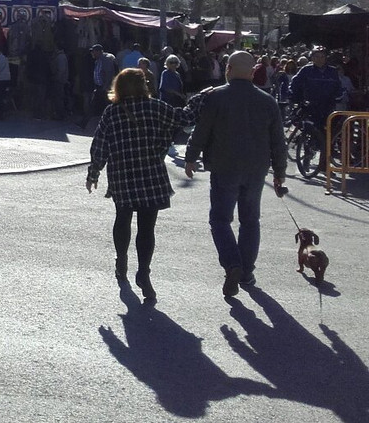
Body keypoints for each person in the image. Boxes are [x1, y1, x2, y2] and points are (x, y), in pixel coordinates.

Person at [87, 68, 197, 300]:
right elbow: (185, 118)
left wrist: (94, 172)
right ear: (142, 86)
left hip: (122, 176)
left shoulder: (112, 112)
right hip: (150, 174)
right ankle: (144, 273)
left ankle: (121, 260)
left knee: (123, 218)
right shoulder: (156, 107)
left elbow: (100, 144)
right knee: (147, 228)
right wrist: (200, 98)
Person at [184, 50, 286, 297]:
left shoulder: (215, 98)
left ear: (228, 70)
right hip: (256, 169)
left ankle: (233, 264)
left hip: (224, 166)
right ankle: (247, 272)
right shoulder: (267, 101)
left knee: (220, 219)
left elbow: (202, 131)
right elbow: (278, 141)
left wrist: (190, 157)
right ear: (253, 72)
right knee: (250, 221)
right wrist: (280, 172)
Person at [290, 47, 344, 137]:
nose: (320, 59)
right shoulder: (306, 70)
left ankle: (328, 146)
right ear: (312, 58)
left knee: (331, 130)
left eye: (322, 57)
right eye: (317, 57)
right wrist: (294, 97)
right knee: (304, 125)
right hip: (310, 106)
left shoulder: (332, 71)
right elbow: (295, 84)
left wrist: (338, 97)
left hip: (327, 106)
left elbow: (338, 87)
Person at [80, 43, 118, 128]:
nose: (92, 54)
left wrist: (105, 86)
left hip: (104, 88)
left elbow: (109, 73)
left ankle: (85, 123)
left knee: (107, 107)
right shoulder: (98, 60)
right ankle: (84, 123)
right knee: (94, 106)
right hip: (99, 87)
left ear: (98, 52)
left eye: (93, 52)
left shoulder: (106, 59)